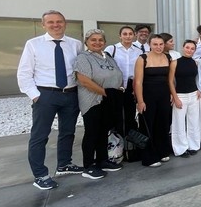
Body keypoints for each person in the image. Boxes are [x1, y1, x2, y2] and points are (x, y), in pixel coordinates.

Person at [17, 10, 84, 190]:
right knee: (40, 136)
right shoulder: (33, 44)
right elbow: (24, 73)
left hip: (70, 94)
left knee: (68, 132)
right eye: (51, 22)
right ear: (43, 24)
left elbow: (80, 69)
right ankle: (40, 174)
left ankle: (64, 164)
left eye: (59, 22)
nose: (56, 25)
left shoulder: (75, 44)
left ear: (65, 23)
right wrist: (35, 95)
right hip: (46, 95)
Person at [73, 29, 124, 180]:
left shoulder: (107, 57)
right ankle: (88, 166)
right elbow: (84, 80)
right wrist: (106, 92)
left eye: (100, 40)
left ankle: (102, 160)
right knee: (92, 133)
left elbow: (117, 74)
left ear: (105, 42)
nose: (97, 42)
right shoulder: (83, 58)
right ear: (86, 42)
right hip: (93, 100)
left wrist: (118, 88)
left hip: (108, 100)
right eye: (93, 40)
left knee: (103, 132)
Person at [133, 34, 173, 167]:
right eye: (155, 44)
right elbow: (138, 82)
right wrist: (140, 101)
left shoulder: (168, 57)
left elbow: (170, 80)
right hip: (148, 95)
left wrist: (172, 94)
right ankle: (149, 157)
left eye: (161, 44)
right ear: (149, 44)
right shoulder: (142, 58)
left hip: (164, 95)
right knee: (147, 125)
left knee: (163, 123)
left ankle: (162, 151)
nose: (159, 47)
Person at [105, 25, 142, 137]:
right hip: (115, 85)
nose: (128, 36)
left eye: (130, 34)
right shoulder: (111, 49)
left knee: (129, 114)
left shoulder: (138, 51)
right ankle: (116, 142)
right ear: (120, 36)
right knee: (114, 113)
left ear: (134, 35)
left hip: (131, 85)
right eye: (125, 34)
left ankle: (129, 142)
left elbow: (138, 71)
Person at [168, 40, 201, 157]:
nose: (190, 50)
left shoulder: (195, 63)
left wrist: (198, 89)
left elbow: (196, 79)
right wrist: (175, 97)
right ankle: (180, 148)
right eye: (187, 47)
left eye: (192, 48)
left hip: (193, 95)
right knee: (179, 123)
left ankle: (193, 145)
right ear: (183, 48)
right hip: (180, 95)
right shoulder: (175, 62)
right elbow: (170, 81)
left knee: (193, 122)